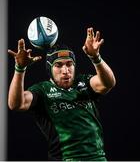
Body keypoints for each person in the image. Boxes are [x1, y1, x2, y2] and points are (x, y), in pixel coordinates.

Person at [8, 27, 116, 161]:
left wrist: (95, 57)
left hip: (98, 158)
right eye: (58, 65)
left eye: (69, 64)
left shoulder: (84, 83)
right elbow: (16, 104)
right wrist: (20, 69)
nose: (65, 70)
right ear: (50, 69)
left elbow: (108, 83)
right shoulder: (42, 90)